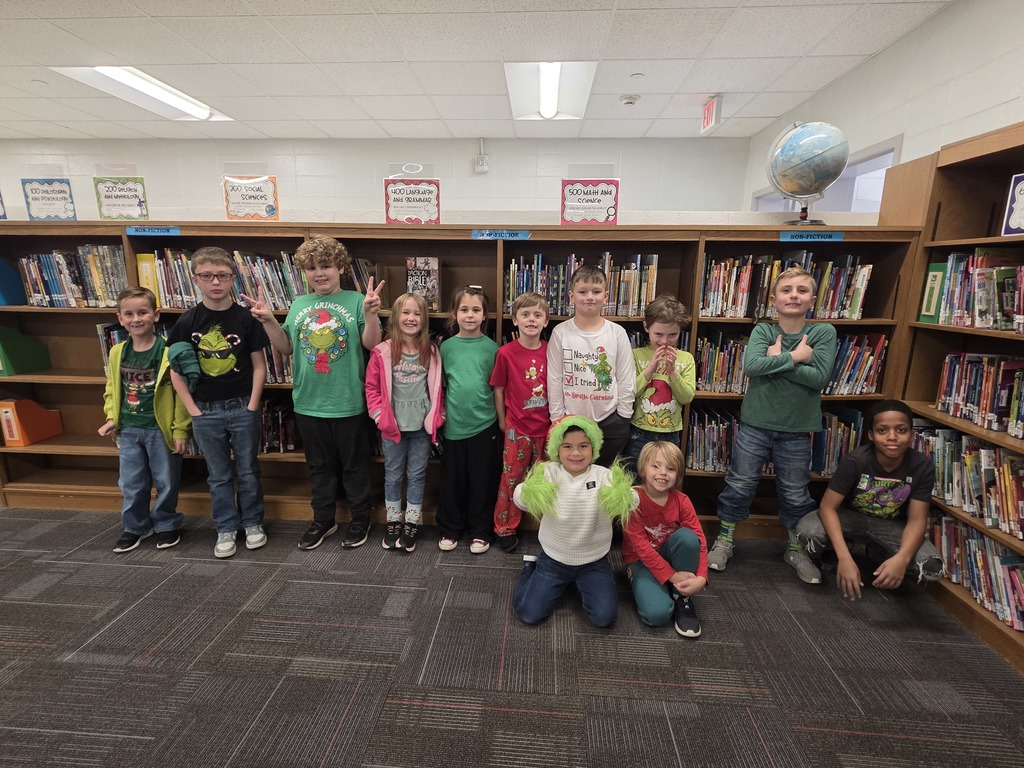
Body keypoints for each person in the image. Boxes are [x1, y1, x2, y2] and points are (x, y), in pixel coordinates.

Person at [246, 236, 384, 550]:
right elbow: (286, 348)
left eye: (326, 266)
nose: (319, 273)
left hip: (348, 401)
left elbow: (373, 346)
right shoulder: (299, 304)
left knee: (355, 466)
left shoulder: (355, 300)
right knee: (319, 467)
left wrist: (372, 313)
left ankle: (360, 520)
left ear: (340, 268)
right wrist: (269, 321)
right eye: (311, 268)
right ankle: (324, 519)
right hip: (308, 402)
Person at [706, 266, 837, 583]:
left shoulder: (823, 333)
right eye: (787, 289)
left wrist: (776, 361)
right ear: (774, 298)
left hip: (796, 430)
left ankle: (795, 548)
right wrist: (797, 358)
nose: (794, 295)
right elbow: (752, 366)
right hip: (755, 425)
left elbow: (819, 378)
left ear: (813, 299)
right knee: (739, 484)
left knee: (795, 493)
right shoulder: (763, 332)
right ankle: (725, 540)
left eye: (802, 290)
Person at [168, 247, 269, 558]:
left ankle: (252, 523)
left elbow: (259, 365)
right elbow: (176, 373)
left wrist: (253, 405)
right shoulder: (187, 322)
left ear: (232, 278)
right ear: (195, 279)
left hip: (242, 407)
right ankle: (225, 527)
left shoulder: (245, 319)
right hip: (206, 411)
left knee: (249, 470)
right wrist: (194, 411)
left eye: (222, 276)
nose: (215, 282)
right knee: (219, 474)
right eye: (207, 276)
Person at [797, 399, 944, 600]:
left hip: (890, 524)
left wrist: (902, 559)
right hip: (849, 517)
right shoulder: (856, 460)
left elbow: (917, 519)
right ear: (871, 435)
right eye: (882, 431)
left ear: (911, 433)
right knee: (808, 531)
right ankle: (836, 549)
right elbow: (827, 508)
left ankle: (878, 553)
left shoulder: (922, 466)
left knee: (931, 567)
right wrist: (844, 558)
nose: (892, 437)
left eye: (901, 430)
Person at [512, 415, 638, 627]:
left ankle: (577, 583)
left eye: (583, 446)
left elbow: (632, 501)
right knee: (528, 613)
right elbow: (519, 498)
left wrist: (622, 496)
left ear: (594, 448)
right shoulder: (549, 472)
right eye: (567, 446)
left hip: (594, 561)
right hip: (553, 560)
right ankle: (529, 569)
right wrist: (531, 491)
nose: (576, 453)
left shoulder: (603, 476)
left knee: (604, 618)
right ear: (557, 450)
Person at [100, 287, 190, 552]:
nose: (136, 319)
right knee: (131, 482)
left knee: (166, 480)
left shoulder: (168, 352)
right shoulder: (117, 352)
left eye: (142, 312)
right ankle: (135, 526)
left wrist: (181, 430)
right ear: (120, 318)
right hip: (128, 430)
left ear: (155, 315)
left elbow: (181, 393)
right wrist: (111, 417)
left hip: (159, 430)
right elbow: (112, 388)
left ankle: (165, 523)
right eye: (129, 314)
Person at [365, 292, 444, 553]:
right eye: (405, 312)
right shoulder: (382, 352)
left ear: (424, 319)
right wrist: (379, 416)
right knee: (394, 475)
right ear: (395, 317)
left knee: (418, 475)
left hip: (421, 427)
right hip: (393, 427)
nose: (411, 318)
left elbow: (437, 387)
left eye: (417, 313)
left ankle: (411, 523)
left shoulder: (431, 351)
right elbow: (372, 388)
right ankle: (393, 522)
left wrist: (438, 415)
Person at [547, 265, 635, 467]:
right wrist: (558, 418)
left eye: (596, 292)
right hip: (571, 421)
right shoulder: (560, 333)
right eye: (582, 291)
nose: (589, 297)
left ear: (605, 296)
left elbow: (625, 377)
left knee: (603, 479)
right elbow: (555, 378)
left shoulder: (617, 333)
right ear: (571, 296)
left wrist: (623, 415)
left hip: (611, 421)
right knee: (573, 479)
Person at [436, 285, 501, 553]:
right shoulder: (445, 347)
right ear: (454, 313)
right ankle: (450, 529)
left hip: (484, 426)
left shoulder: (494, 349)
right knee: (452, 482)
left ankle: (480, 531)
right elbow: (439, 386)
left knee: (482, 482)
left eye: (476, 310)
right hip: (452, 427)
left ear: (485, 315)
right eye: (464, 309)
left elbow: (497, 388)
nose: (470, 315)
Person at [622, 441, 707, 637]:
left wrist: (701, 578)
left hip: (669, 555)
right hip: (640, 561)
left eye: (670, 468)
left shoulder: (682, 500)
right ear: (643, 468)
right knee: (657, 616)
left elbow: (700, 541)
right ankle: (671, 584)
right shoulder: (632, 499)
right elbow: (641, 548)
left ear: (677, 475)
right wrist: (673, 576)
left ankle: (681, 596)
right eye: (656, 466)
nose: (663, 473)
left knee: (688, 537)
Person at [491, 292, 550, 553]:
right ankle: (504, 528)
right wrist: (504, 422)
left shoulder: (552, 351)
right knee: (511, 479)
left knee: (547, 481)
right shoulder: (505, 353)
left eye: (537, 315)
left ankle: (548, 528)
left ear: (546, 321)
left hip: (546, 429)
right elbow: (499, 389)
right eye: (525, 314)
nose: (531, 319)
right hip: (517, 428)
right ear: (514, 320)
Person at [623, 294, 696, 474]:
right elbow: (629, 392)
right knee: (633, 477)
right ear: (646, 327)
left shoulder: (686, 359)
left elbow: (687, 397)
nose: (664, 341)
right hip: (638, 431)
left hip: (670, 433)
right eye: (658, 334)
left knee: (664, 478)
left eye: (673, 335)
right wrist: (650, 369)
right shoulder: (635, 355)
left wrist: (673, 372)